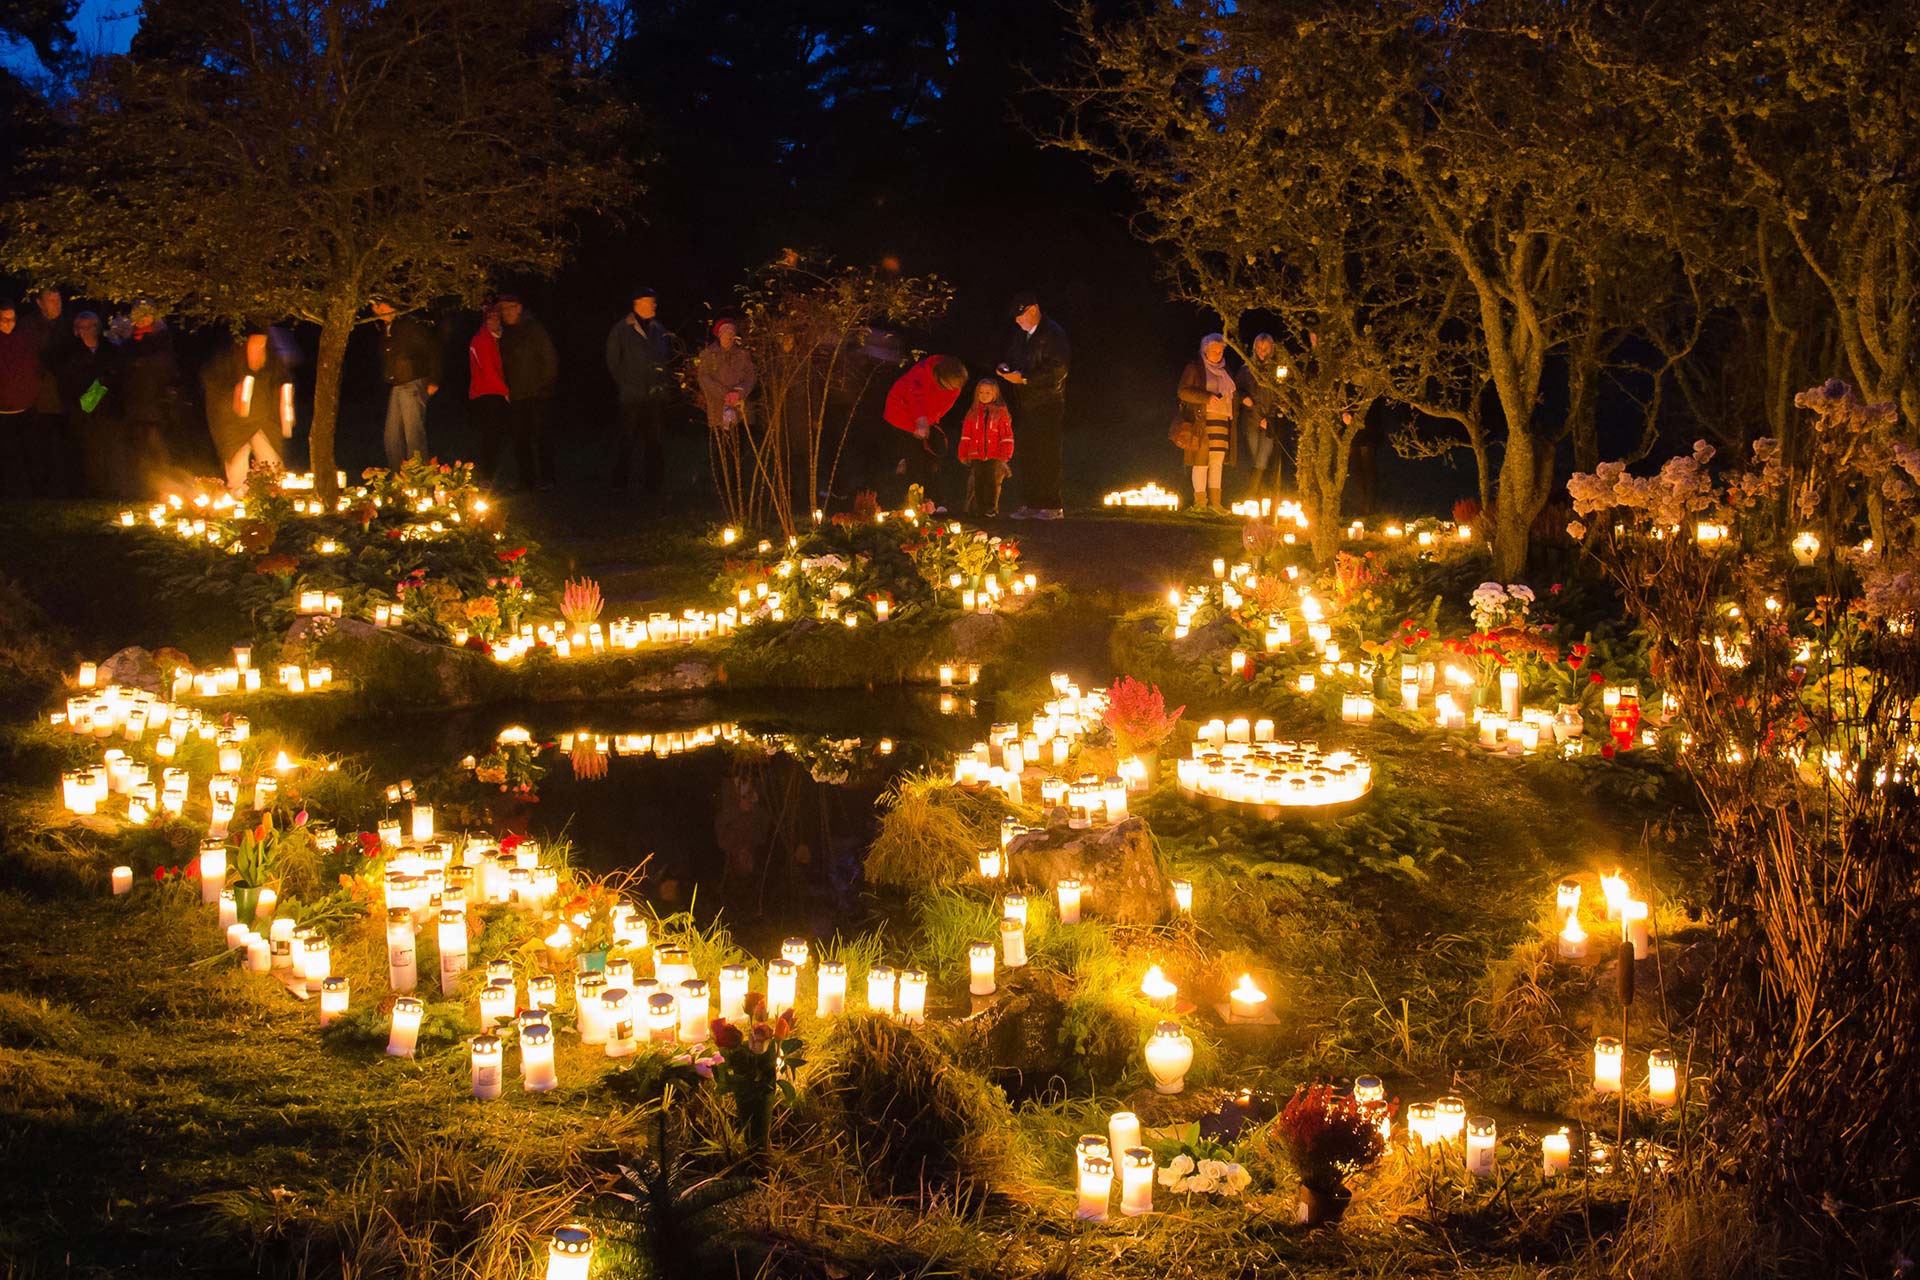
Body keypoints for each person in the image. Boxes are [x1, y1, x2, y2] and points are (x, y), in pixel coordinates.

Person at [997, 292, 1069, 520]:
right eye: (1016, 317)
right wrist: (1006, 368)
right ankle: (1031, 503)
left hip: (1048, 402)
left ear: (1034, 310)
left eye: (1021, 315)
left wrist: (1026, 378)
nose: (1018, 321)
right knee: (1028, 453)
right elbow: (1014, 358)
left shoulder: (1053, 334)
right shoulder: (1022, 336)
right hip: (1026, 402)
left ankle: (1051, 504)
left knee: (1046, 452)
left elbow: (1058, 369)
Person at [202, 326, 293, 493]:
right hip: (235, 427)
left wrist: (284, 410)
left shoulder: (273, 369)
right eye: (254, 345)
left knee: (273, 469)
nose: (258, 351)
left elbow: (281, 389)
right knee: (238, 472)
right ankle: (238, 499)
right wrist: (234, 399)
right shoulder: (227, 367)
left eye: (262, 346)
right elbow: (216, 394)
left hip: (264, 424)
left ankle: (272, 500)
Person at [605, 287, 671, 496]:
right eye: (650, 301)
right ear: (638, 303)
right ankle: (619, 482)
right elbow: (613, 360)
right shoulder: (622, 329)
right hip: (632, 396)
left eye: (654, 301)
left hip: (655, 395)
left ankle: (654, 483)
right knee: (627, 438)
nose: (654, 305)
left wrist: (661, 382)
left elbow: (665, 358)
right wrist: (627, 383)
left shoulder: (658, 329)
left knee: (655, 440)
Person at [882, 354, 968, 509]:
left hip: (926, 421)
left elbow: (944, 405)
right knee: (914, 459)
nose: (953, 390)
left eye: (955, 387)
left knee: (930, 461)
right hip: (901, 414)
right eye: (948, 386)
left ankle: (929, 501)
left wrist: (931, 421)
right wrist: (921, 420)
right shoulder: (922, 372)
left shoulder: (955, 385)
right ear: (939, 377)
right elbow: (916, 397)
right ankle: (909, 503)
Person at [55, 311, 122, 496]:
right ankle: (87, 489)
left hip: (107, 410)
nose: (87, 330)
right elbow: (67, 379)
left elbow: (116, 375)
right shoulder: (69, 352)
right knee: (85, 451)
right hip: (81, 410)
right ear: (76, 330)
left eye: (91, 326)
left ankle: (109, 488)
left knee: (107, 449)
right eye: (82, 327)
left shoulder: (109, 349)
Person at [115, 301, 179, 493]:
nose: (142, 318)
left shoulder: (162, 340)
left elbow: (166, 368)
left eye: (146, 313)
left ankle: (165, 487)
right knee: (136, 450)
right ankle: (139, 488)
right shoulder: (127, 343)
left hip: (155, 404)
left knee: (157, 448)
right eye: (138, 313)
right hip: (132, 405)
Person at [497, 294, 558, 490]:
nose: (506, 313)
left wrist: (545, 385)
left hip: (536, 393)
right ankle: (526, 479)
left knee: (541, 437)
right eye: (503, 309)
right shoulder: (507, 334)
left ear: (519, 308)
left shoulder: (534, 329)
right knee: (519, 439)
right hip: (516, 394)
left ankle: (547, 479)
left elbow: (549, 357)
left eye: (510, 308)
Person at [370, 301, 440, 470]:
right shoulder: (386, 329)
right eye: (374, 307)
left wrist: (434, 379)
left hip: (412, 381)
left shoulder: (409, 325)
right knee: (392, 435)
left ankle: (418, 476)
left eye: (381, 305)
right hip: (397, 384)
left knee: (413, 434)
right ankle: (398, 475)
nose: (378, 310)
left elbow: (432, 350)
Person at [1173, 333, 1238, 512]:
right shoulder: (1195, 368)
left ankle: (1216, 503)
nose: (1218, 354)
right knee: (1201, 461)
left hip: (1222, 421)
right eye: (1214, 351)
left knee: (1217, 461)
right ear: (1204, 351)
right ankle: (1200, 502)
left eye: (1220, 351)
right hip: (1202, 421)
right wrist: (1206, 397)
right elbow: (1183, 391)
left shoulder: (1226, 371)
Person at [20, 288, 71, 494]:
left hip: (66, 396)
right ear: (40, 302)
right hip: (39, 398)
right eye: (51, 300)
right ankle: (42, 488)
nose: (56, 305)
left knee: (63, 445)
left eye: (58, 300)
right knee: (40, 445)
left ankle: (64, 487)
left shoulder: (68, 325)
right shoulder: (28, 327)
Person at [1235, 332, 1288, 500]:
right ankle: (1261, 492)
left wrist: (1270, 417)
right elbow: (1236, 389)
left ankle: (1251, 493)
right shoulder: (1246, 369)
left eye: (1265, 348)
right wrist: (1244, 398)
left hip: (1269, 421)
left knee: (1262, 457)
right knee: (1254, 456)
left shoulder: (1278, 370)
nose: (1262, 352)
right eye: (1258, 348)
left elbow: (1282, 396)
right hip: (1251, 419)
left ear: (1272, 348)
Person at [957, 376, 1014, 518]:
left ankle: (991, 508)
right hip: (976, 454)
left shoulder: (1001, 413)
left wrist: (1006, 454)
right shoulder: (973, 412)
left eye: (988, 393)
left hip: (993, 455)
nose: (984, 396)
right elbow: (966, 435)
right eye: (981, 392)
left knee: (991, 482)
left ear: (995, 394)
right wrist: (963, 453)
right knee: (978, 481)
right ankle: (979, 508)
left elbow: (1006, 435)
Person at [0, 300, 39, 497]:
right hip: (2, 410)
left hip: (24, 408)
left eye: (12, 319)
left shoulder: (23, 340)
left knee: (24, 454)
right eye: (3, 319)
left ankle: (24, 492)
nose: (8, 324)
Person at [467, 304, 509, 484]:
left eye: (497, 318)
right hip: (486, 394)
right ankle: (486, 475)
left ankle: (489, 474)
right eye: (491, 318)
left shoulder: (497, 339)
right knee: (489, 436)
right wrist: (506, 391)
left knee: (494, 436)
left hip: (495, 392)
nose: (495, 321)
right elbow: (488, 371)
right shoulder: (481, 340)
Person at [696, 318, 757, 436]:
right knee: (721, 441)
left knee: (740, 440)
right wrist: (725, 395)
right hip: (718, 408)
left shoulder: (743, 354)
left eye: (731, 333)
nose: (728, 336)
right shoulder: (709, 354)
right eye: (725, 332)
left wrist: (738, 393)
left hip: (740, 408)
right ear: (719, 335)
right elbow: (704, 378)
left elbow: (751, 377)